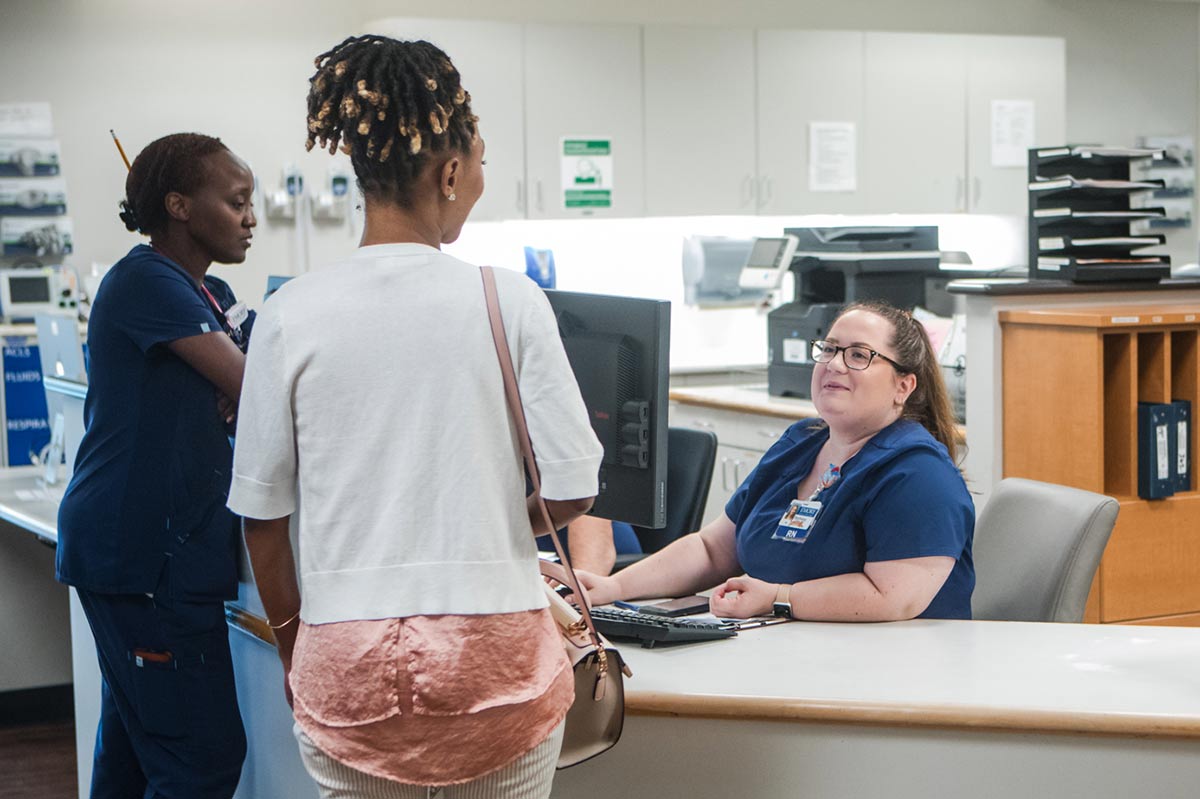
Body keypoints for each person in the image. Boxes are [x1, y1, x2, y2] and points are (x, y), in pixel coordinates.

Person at [227, 35, 603, 799]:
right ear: (452, 170)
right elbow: (575, 486)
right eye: (482, 163)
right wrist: (487, 523)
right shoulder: (510, 298)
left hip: (346, 664)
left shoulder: (289, 313)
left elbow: (262, 520)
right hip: (496, 665)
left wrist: (299, 647)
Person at [55, 132, 257, 798]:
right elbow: (253, 386)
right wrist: (239, 383)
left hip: (153, 553)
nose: (250, 216)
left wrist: (234, 384)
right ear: (178, 205)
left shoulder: (203, 290)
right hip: (143, 558)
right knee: (201, 758)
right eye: (235, 201)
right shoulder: (147, 280)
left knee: (136, 754)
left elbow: (235, 382)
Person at [580, 300, 975, 621]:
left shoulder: (919, 475)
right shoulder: (800, 442)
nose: (835, 363)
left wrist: (778, 597)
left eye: (859, 355)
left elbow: (892, 598)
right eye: (831, 349)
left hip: (888, 674)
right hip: (786, 652)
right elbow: (713, 550)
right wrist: (615, 587)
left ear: (903, 386)